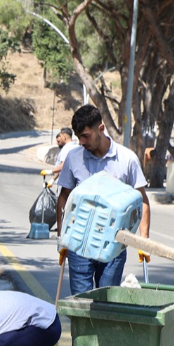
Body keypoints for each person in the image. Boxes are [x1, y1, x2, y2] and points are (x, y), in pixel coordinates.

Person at [56, 105, 151, 293]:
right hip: (79, 242)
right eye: (78, 137)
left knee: (105, 301)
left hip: (113, 246)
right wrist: (62, 238)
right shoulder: (74, 158)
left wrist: (144, 240)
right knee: (81, 302)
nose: (82, 142)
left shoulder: (126, 159)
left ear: (100, 129)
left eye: (86, 136)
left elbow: (142, 201)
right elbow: (64, 197)